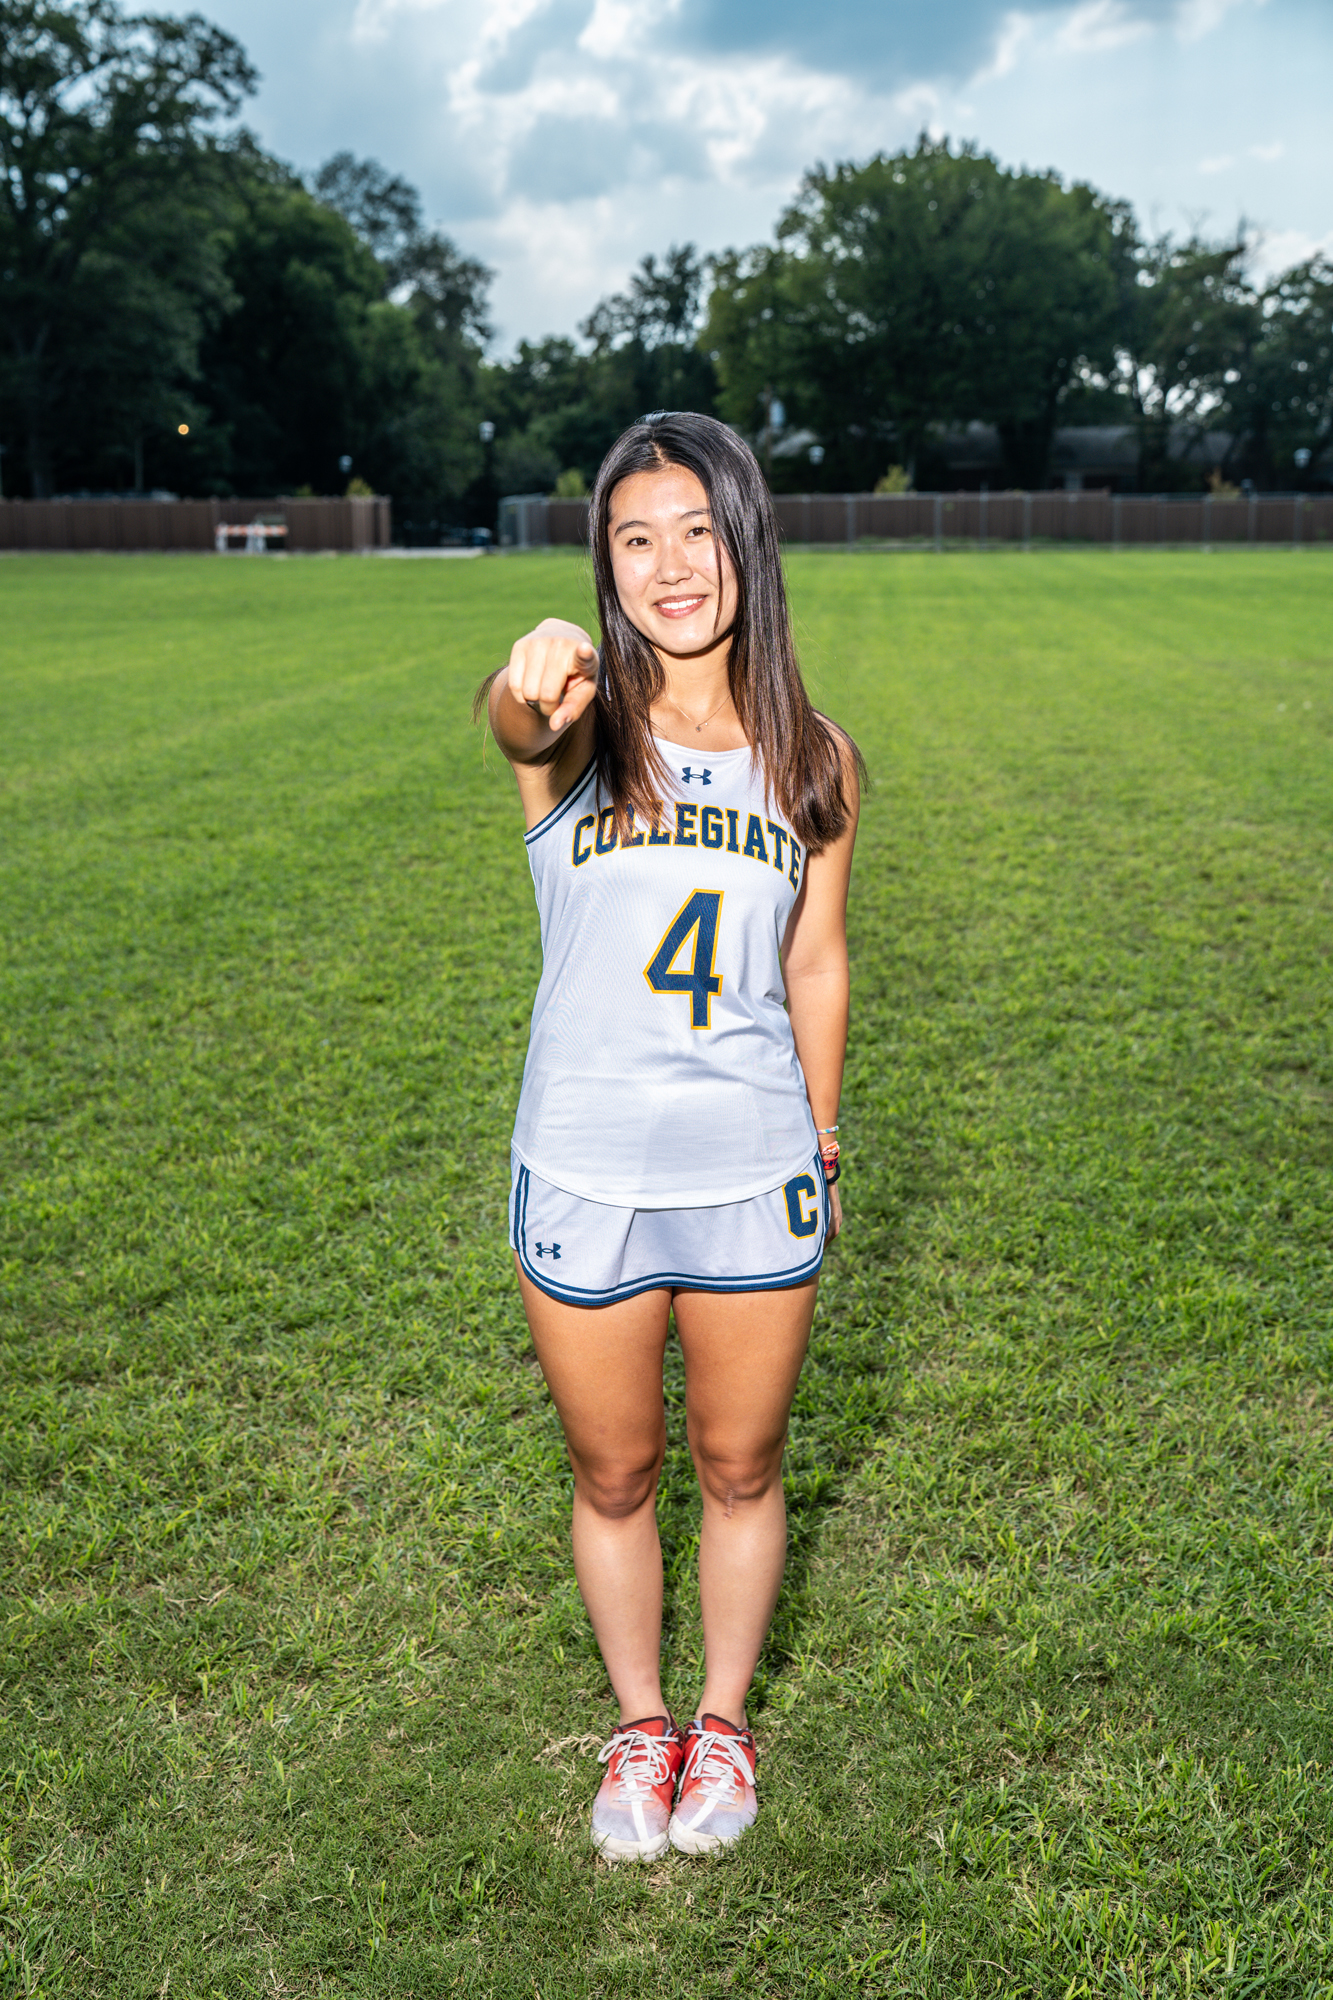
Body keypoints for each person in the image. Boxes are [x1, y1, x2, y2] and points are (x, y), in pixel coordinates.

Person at [478, 411, 862, 1861]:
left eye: (698, 530)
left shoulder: (814, 756)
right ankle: (642, 1724)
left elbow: (815, 960)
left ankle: (724, 1720)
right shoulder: (581, 728)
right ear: (605, 565)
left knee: (742, 1466)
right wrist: (529, 668)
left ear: (745, 542)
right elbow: (518, 719)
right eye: (634, 539)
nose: (671, 565)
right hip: (585, 1171)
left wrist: (821, 1130)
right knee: (615, 1474)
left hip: (753, 1171)